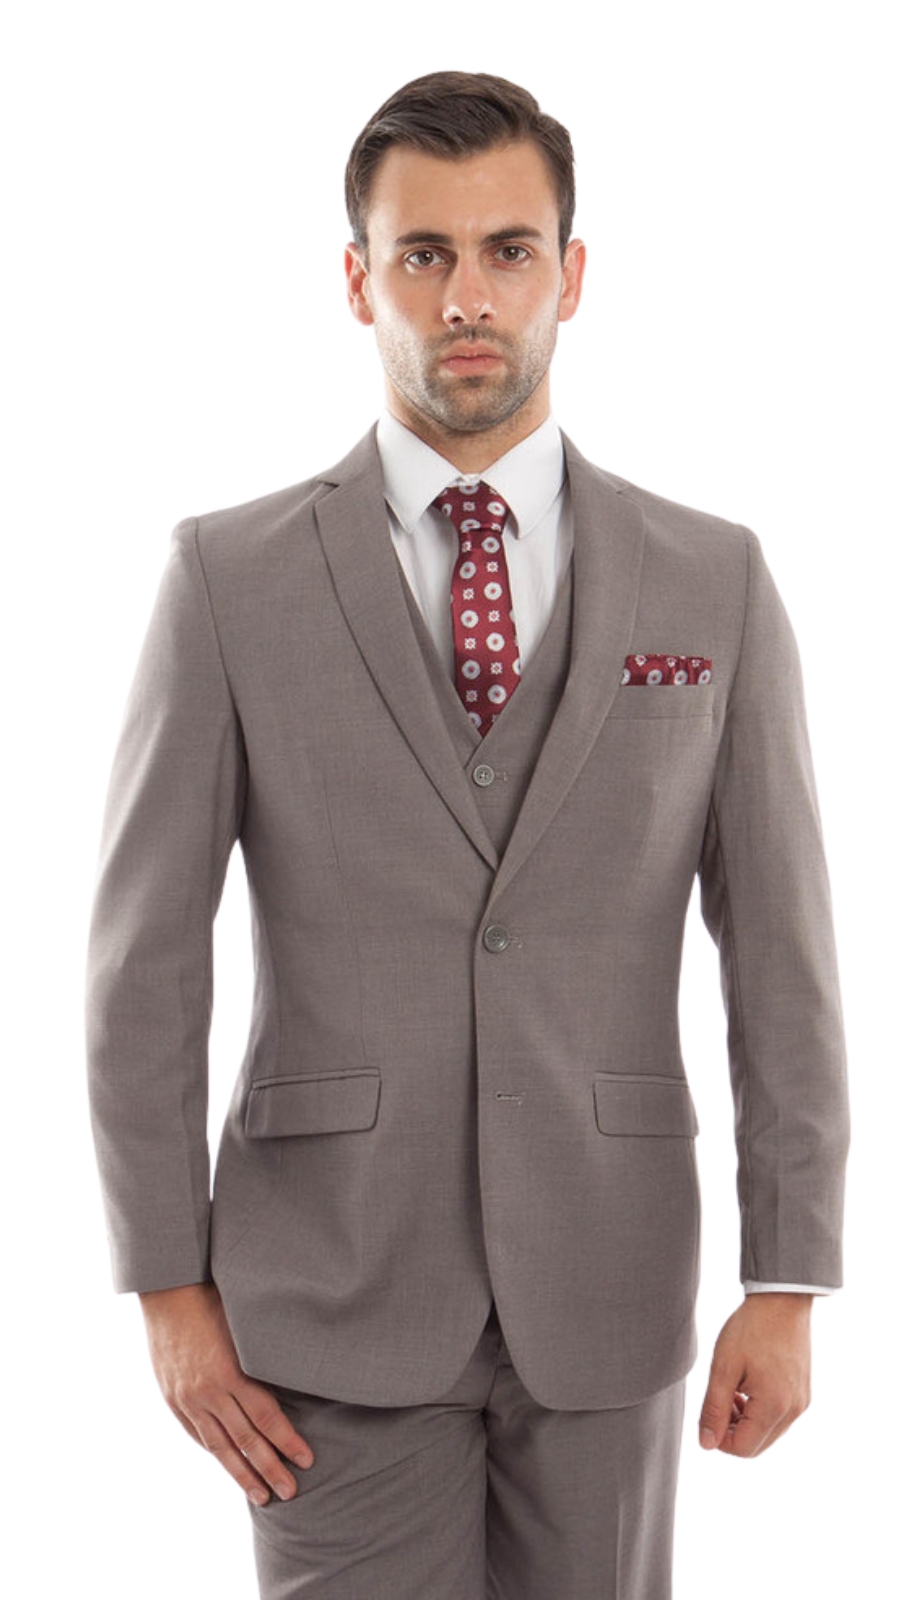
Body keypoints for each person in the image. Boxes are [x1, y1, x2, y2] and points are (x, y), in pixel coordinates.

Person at [85, 70, 849, 1600]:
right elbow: (143, 964)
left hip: (610, 1281)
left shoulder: (713, 579)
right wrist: (166, 1288)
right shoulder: (228, 577)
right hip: (328, 1293)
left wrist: (789, 1275)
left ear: (573, 274)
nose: (468, 297)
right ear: (356, 278)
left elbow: (783, 955)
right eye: (422, 254)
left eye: (509, 251)